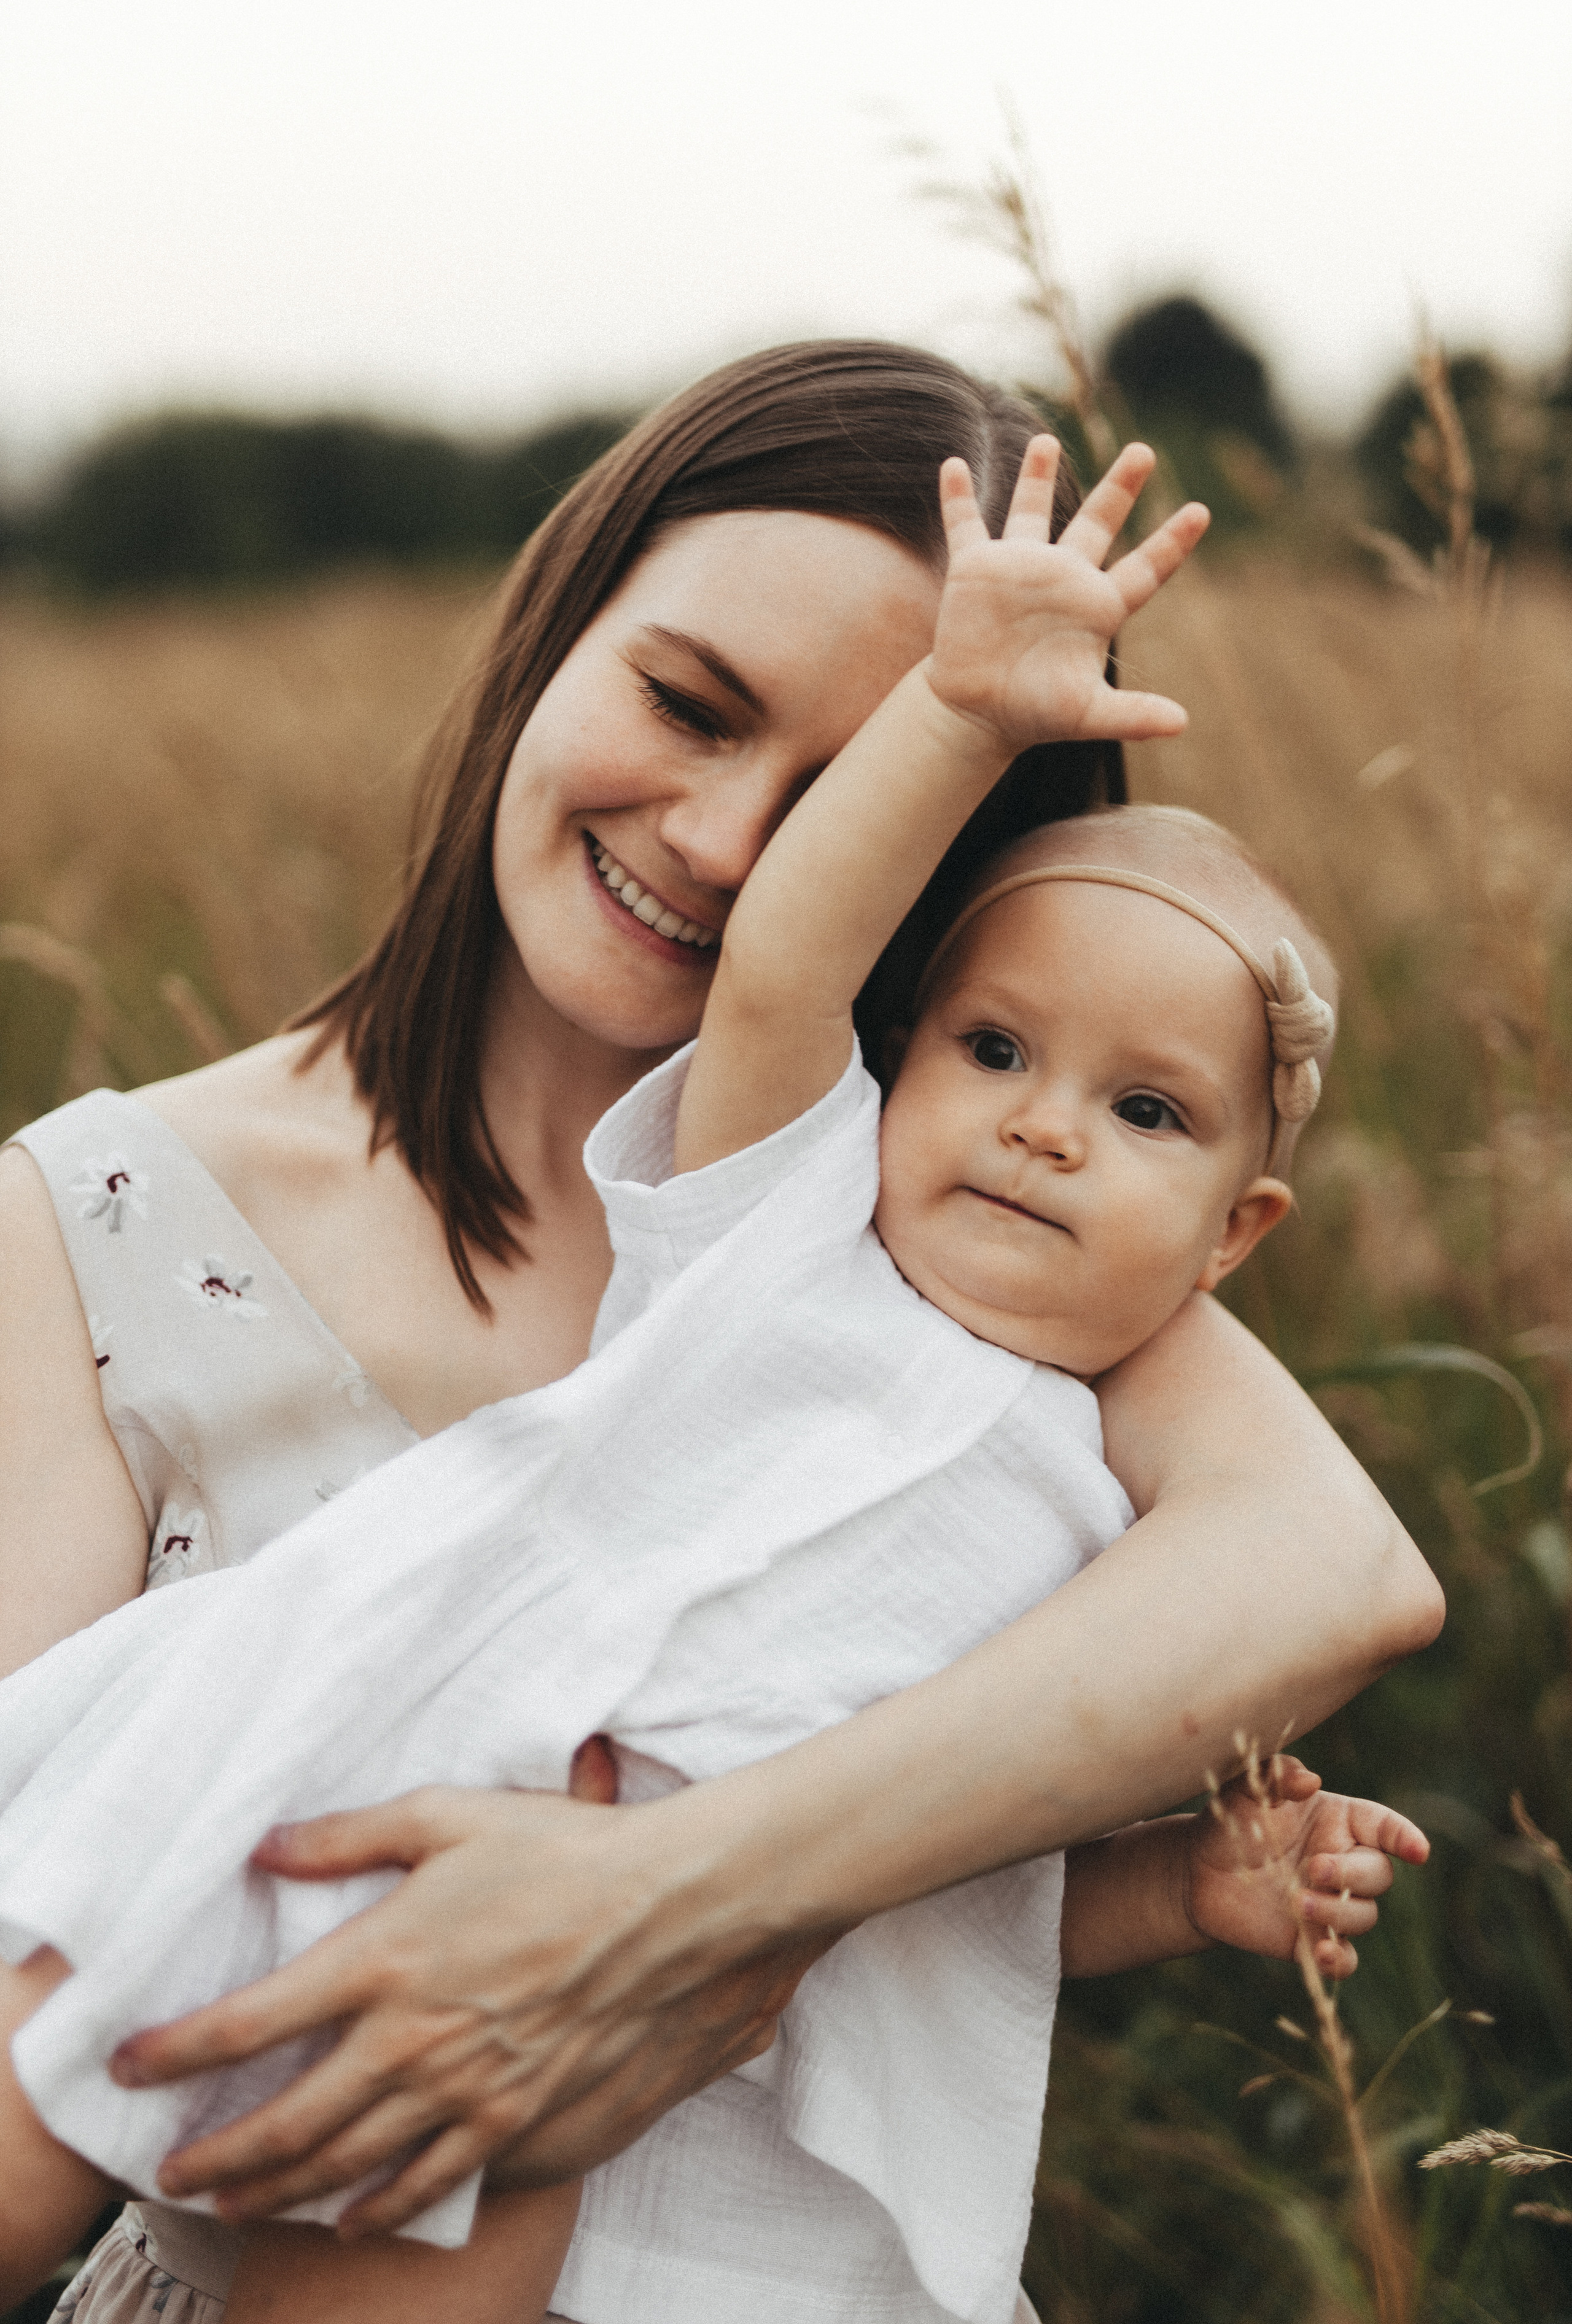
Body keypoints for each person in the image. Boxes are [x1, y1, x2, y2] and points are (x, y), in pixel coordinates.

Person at [0, 347, 1444, 2324]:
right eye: (689, 705)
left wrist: (669, 1916)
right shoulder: (97, 1221)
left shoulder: (958, 1261)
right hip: (284, 2180)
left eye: (855, 794)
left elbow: (1342, 1575)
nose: (724, 840)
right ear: (551, 623)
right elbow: (57, 1888)